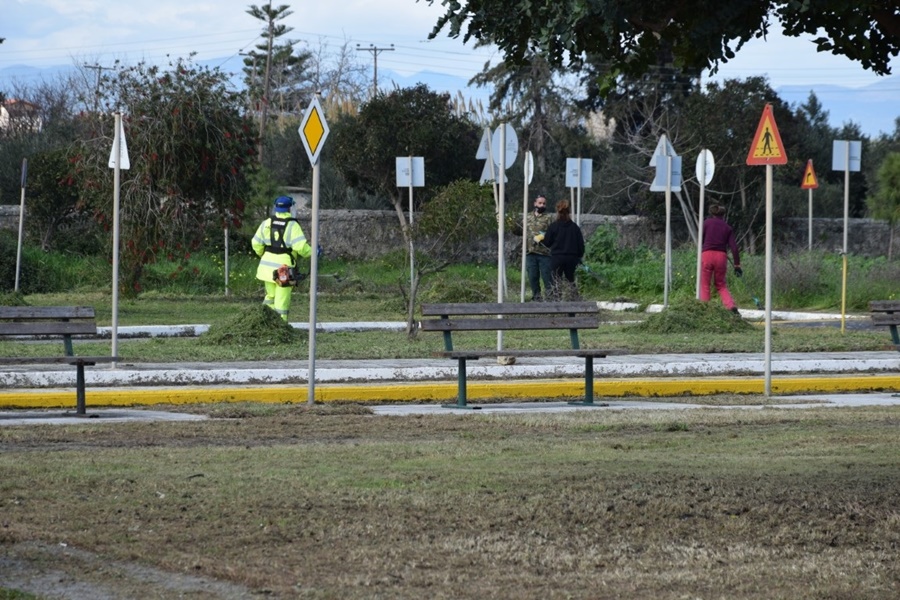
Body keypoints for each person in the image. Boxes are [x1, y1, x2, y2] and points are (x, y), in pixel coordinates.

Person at [252, 196, 313, 321]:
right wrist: (313, 252)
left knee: (270, 297)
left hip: (266, 270)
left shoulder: (266, 223)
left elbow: (255, 243)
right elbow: (301, 247)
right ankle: (281, 328)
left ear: (276, 208)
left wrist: (263, 255)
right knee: (281, 302)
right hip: (283, 270)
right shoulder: (292, 225)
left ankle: (265, 324)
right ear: (290, 208)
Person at [510, 194, 554, 301]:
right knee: (533, 277)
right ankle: (537, 297)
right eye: (540, 203)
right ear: (535, 203)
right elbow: (517, 231)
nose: (542, 205)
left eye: (544, 203)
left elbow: (554, 233)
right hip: (530, 252)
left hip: (544, 253)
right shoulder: (527, 217)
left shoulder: (549, 218)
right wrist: (511, 223)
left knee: (547, 277)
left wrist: (543, 235)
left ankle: (551, 299)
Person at [700, 203, 742, 314]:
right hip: (721, 256)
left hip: (707, 254)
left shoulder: (706, 223)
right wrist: (737, 265)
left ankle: (705, 309)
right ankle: (731, 306)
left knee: (705, 284)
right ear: (723, 214)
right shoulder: (727, 227)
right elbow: (734, 247)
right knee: (721, 284)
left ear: (712, 213)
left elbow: (701, 239)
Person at [542, 199, 584, 301]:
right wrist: (578, 257)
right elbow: (581, 246)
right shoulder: (575, 228)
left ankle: (556, 302)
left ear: (557, 211)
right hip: (571, 258)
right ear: (569, 211)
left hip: (557, 258)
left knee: (556, 282)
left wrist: (541, 238)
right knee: (571, 281)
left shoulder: (553, 227)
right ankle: (573, 301)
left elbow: (547, 242)